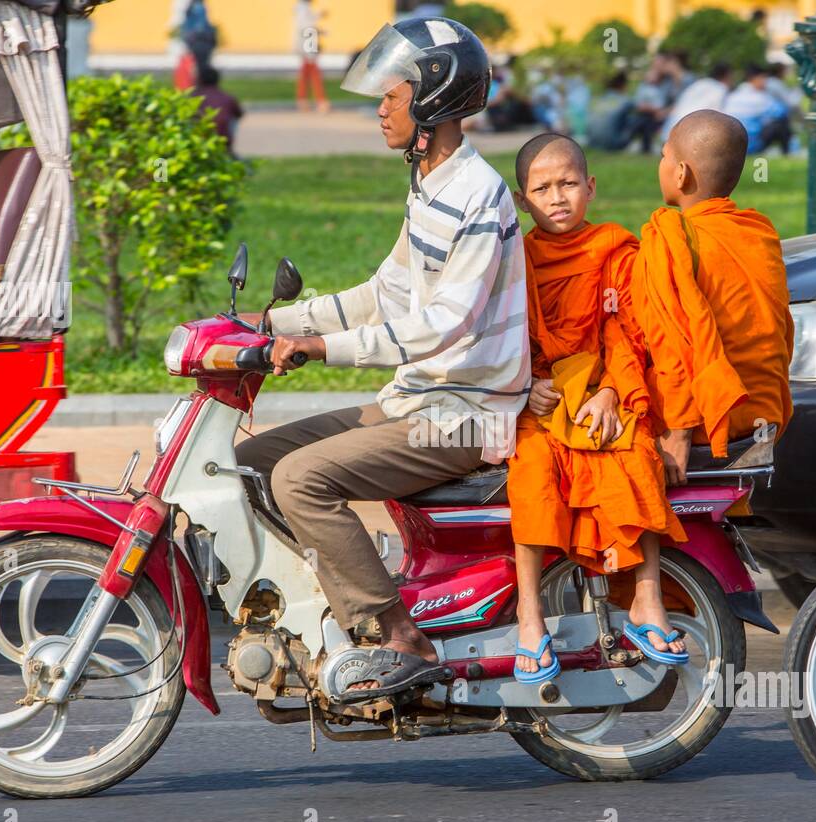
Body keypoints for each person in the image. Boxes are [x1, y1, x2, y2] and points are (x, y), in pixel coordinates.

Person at [235, 17, 529, 701]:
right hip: (418, 398)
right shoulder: (431, 183)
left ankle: (397, 636)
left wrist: (321, 348)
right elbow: (384, 292)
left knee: (302, 479)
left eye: (390, 96)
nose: (380, 110)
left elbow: (438, 326)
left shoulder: (477, 197)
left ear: (431, 99)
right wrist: (271, 322)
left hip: (466, 414)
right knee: (248, 463)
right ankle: (330, 610)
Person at [506, 133, 688, 679]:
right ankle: (529, 615)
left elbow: (627, 333)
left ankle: (646, 598)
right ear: (522, 201)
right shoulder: (513, 261)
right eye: (541, 188)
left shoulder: (614, 250)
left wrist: (612, 391)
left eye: (567, 184)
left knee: (635, 448)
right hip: (541, 397)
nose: (557, 197)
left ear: (590, 186)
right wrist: (523, 386)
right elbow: (500, 339)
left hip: (603, 389)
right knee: (533, 471)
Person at [631, 107, 794, 517]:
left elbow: (672, 344)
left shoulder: (670, 237)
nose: (660, 165)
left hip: (707, 420)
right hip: (764, 411)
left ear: (682, 173)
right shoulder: (758, 230)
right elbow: (780, 328)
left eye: (665, 156)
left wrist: (679, 432)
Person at [723, 64, 792, 154]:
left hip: (734, 144)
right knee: (781, 123)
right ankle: (786, 153)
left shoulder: (734, 95)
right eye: (764, 78)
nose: (766, 82)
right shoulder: (760, 97)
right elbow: (782, 112)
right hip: (752, 144)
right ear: (755, 79)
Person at [661, 62, 732, 140]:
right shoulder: (720, 88)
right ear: (727, 75)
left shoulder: (699, 83)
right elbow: (719, 114)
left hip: (671, 127)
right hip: (692, 131)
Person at [192, 66, 244, 153]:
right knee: (232, 119)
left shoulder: (194, 97)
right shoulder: (228, 97)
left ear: (199, 79)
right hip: (223, 141)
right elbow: (239, 114)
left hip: (199, 142)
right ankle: (228, 149)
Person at [293, 0, 329, 112]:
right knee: (314, 73)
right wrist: (320, 31)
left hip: (307, 44)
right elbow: (306, 27)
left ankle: (302, 101)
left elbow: (309, 21)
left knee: (306, 73)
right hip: (307, 44)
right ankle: (321, 101)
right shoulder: (302, 9)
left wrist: (319, 15)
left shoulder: (303, 8)